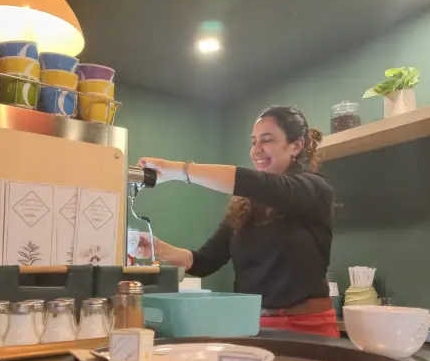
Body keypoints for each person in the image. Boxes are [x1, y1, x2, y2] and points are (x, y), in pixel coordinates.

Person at [136, 105, 339, 338]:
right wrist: (156, 247)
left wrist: (178, 170)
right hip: (250, 326)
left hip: (308, 327)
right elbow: (205, 261)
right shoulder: (245, 206)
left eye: (267, 140)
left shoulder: (315, 189)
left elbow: (258, 184)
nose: (256, 150)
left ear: (296, 146)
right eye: (253, 141)